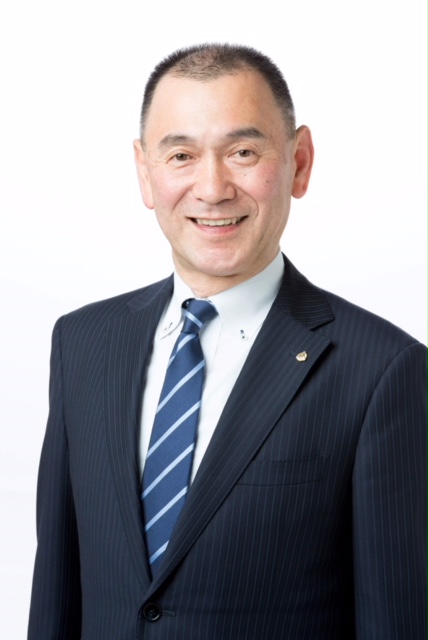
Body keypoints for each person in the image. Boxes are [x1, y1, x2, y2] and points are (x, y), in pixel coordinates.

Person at [28, 43, 428, 640]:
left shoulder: (384, 373)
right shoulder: (83, 344)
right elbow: (57, 595)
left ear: (299, 163)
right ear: (145, 172)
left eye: (243, 152)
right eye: (181, 155)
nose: (212, 188)